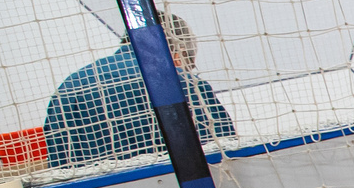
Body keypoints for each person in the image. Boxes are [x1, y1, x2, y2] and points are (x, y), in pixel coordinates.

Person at [44, 9, 235, 169]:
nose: (187, 69)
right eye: (188, 63)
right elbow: (225, 155)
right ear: (178, 52)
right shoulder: (184, 83)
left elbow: (60, 166)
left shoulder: (69, 87)